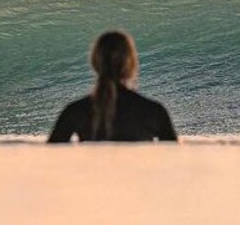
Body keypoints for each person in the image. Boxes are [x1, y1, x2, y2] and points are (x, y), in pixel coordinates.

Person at [48, 30, 177, 143]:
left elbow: (50, 158)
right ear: (131, 64)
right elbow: (174, 160)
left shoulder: (75, 110)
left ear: (95, 63)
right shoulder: (153, 110)